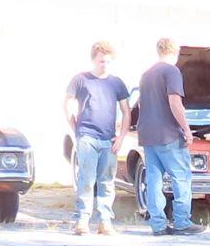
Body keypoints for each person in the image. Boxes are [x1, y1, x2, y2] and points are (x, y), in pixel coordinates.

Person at [65, 41, 132, 235]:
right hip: (87, 136)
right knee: (86, 178)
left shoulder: (116, 83)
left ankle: (105, 221)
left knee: (107, 181)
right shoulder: (81, 80)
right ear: (94, 59)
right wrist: (75, 128)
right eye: (102, 61)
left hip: (108, 139)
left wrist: (121, 137)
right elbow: (67, 104)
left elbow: (126, 111)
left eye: (108, 61)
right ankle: (82, 220)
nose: (105, 64)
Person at [135, 35, 197, 235]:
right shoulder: (172, 71)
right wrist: (187, 130)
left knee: (154, 178)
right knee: (181, 177)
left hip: (147, 134)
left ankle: (158, 225)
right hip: (168, 135)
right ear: (175, 52)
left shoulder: (145, 75)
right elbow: (174, 102)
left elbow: (141, 105)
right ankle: (182, 222)